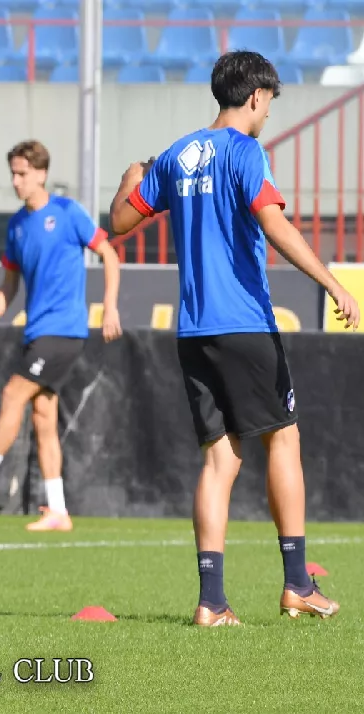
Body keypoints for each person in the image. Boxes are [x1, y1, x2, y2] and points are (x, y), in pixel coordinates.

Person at [108, 50, 359, 627]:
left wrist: (126, 186)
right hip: (244, 323)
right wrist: (331, 282)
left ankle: (211, 602)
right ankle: (297, 584)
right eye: (269, 100)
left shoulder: (175, 154)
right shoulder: (246, 152)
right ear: (254, 97)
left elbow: (122, 223)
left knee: (220, 461)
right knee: (285, 442)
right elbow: (273, 223)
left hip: (193, 330)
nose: (269, 111)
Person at [0, 140, 122, 532]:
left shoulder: (68, 213)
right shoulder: (17, 226)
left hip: (64, 331)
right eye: (13, 174)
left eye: (23, 173)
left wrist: (110, 306)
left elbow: (109, 254)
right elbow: (9, 284)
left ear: (41, 173)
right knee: (43, 416)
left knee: (12, 394)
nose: (16, 181)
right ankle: (58, 509)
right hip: (37, 331)